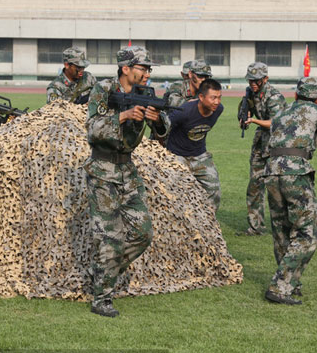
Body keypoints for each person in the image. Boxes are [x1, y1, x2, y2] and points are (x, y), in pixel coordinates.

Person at [85, 45, 168, 317]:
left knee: (143, 233)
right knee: (110, 237)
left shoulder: (146, 94)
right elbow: (93, 129)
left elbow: (163, 132)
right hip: (103, 170)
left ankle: (103, 275)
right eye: (143, 68)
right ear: (126, 69)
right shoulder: (104, 91)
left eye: (148, 69)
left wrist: (156, 121)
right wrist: (123, 115)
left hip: (128, 172)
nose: (147, 74)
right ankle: (102, 298)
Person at [263, 77, 317, 305]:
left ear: (296, 95)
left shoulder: (282, 113)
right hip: (295, 172)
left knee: (281, 229)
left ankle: (290, 281)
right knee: (308, 234)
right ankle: (280, 286)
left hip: (271, 171)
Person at [238, 62, 287, 236]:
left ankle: (282, 226)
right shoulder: (250, 93)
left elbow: (275, 123)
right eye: (250, 79)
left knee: (276, 188)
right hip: (261, 144)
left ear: (265, 79)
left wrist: (253, 121)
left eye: (256, 80)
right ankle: (255, 226)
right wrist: (244, 117)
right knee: (254, 185)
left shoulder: (273, 96)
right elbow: (246, 110)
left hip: (277, 144)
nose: (252, 83)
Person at [165, 78, 224, 212]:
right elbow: (164, 127)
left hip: (199, 155)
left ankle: (207, 225)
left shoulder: (219, 109)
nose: (217, 102)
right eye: (213, 98)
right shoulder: (184, 111)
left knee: (213, 189)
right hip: (177, 155)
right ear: (201, 97)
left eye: (219, 97)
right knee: (178, 193)